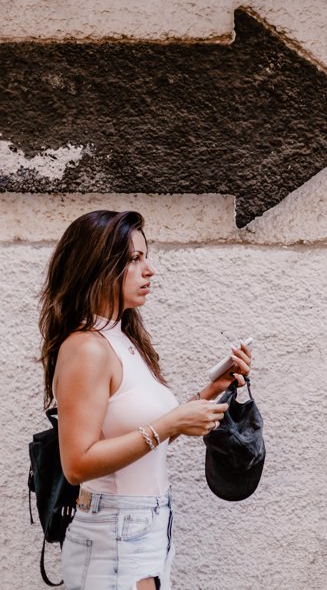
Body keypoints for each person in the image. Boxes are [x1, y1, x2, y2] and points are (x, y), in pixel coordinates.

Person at [39, 210, 253, 590]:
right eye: (134, 259)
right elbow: (77, 464)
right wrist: (170, 424)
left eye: (145, 256)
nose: (149, 269)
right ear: (98, 267)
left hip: (147, 524)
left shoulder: (122, 339)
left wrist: (210, 392)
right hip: (113, 531)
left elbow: (143, 437)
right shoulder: (86, 348)